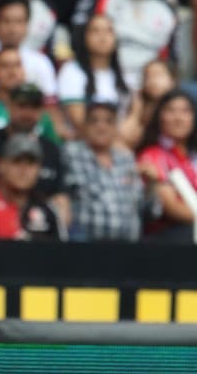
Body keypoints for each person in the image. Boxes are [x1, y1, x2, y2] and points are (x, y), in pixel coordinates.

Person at [71, 0, 177, 92]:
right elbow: (79, 36)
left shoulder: (166, 10)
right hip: (105, 75)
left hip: (148, 84)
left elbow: (170, 57)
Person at [0, 82, 69, 221]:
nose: (27, 113)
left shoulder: (51, 149)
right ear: (9, 107)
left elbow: (60, 196)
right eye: (22, 106)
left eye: (34, 107)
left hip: (39, 224)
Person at [63, 102, 143, 241]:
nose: (101, 126)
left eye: (108, 121)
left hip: (127, 246)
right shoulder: (70, 153)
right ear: (84, 126)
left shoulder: (126, 158)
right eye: (94, 121)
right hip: (85, 244)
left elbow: (142, 205)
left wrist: (152, 187)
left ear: (115, 128)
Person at [0, 51, 62, 142]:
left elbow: (54, 148)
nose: (12, 72)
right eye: (5, 66)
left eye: (17, 65)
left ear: (24, 72)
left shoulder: (39, 112)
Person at [137, 89, 197, 238]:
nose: (179, 118)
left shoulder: (191, 157)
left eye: (185, 111)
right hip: (170, 238)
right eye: (171, 110)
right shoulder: (152, 155)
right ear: (160, 117)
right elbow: (171, 207)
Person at [57, 14, 130, 131]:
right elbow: (79, 122)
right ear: (84, 37)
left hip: (119, 143)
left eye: (109, 31)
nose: (103, 37)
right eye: (95, 31)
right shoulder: (72, 70)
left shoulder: (124, 74)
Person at [122, 58, 177, 149]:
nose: (152, 80)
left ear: (172, 80)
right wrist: (136, 112)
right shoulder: (140, 106)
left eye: (158, 75)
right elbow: (126, 137)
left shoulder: (182, 105)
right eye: (147, 77)